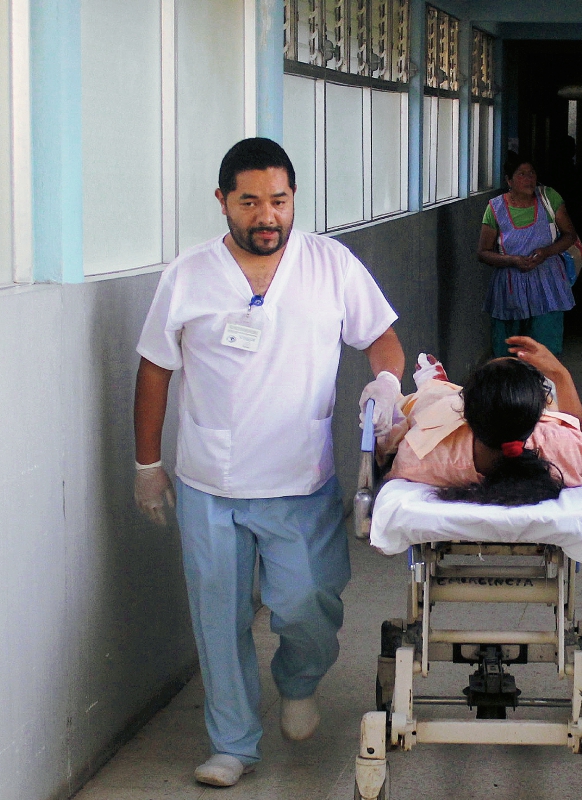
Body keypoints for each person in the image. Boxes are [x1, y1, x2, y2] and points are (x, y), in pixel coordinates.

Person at [132, 138, 405, 787]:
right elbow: (154, 368)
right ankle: (232, 743)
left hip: (298, 478)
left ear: (293, 200)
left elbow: (382, 339)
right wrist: (146, 464)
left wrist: (389, 383)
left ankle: (300, 681)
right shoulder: (189, 274)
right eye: (249, 201)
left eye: (277, 201)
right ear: (222, 201)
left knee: (310, 604)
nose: (266, 215)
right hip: (210, 479)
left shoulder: (329, 265)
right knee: (218, 617)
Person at [377, 336, 582, 506]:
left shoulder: (423, 455)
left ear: (465, 415)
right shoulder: (559, 448)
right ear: (536, 417)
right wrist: (560, 374)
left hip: (445, 411)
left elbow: (393, 448)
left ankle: (435, 383)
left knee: (429, 401)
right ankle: (437, 385)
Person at [477, 153, 580, 357]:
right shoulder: (495, 208)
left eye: (532, 173)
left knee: (544, 353)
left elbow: (570, 235)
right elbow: (483, 253)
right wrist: (512, 260)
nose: (529, 179)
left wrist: (546, 252)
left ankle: (542, 389)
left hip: (547, 287)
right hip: (510, 290)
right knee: (508, 355)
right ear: (509, 180)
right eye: (522, 174)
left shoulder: (549, 198)